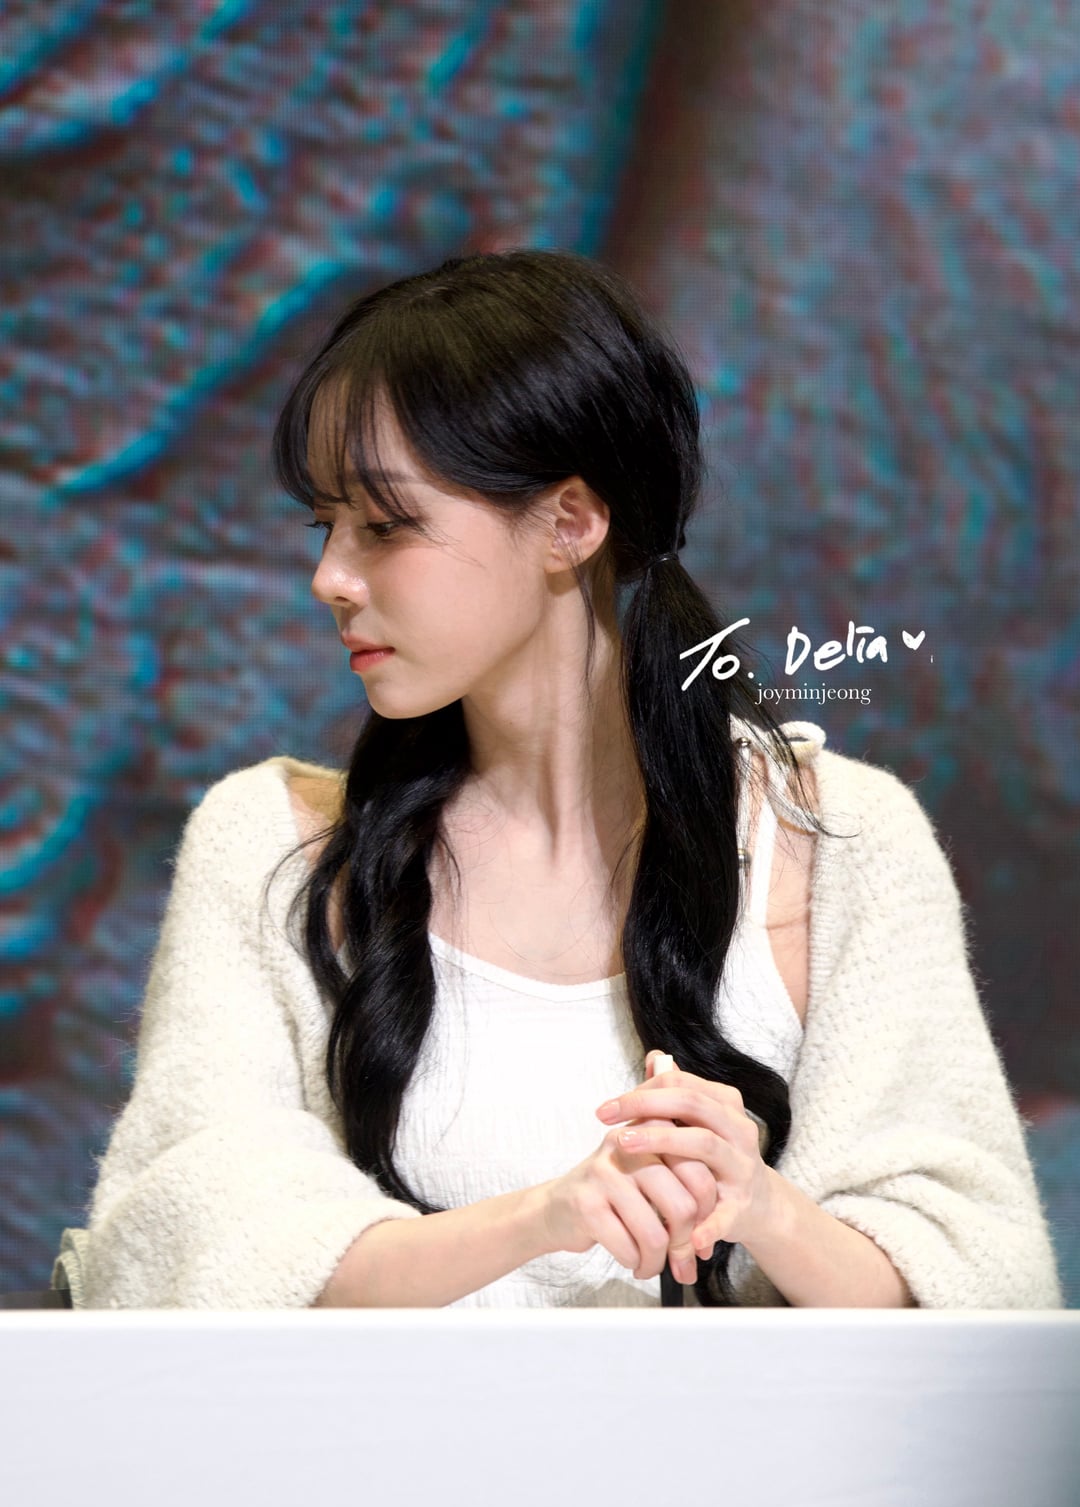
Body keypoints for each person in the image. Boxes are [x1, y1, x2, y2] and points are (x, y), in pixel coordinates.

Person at [74, 249, 1062, 1310]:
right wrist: (546, 1217)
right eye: (326, 525)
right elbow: (188, 1237)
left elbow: (979, 1285)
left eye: (385, 524)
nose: (330, 578)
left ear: (570, 523)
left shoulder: (840, 841)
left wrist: (760, 1205)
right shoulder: (273, 846)